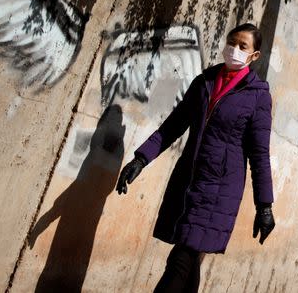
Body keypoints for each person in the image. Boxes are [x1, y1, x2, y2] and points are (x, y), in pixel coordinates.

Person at [116, 22, 276, 292]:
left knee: (180, 260)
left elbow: (259, 154)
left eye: (242, 46)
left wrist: (265, 206)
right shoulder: (204, 83)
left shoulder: (258, 97)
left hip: (219, 192)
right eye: (231, 43)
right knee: (188, 264)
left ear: (254, 56)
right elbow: (173, 126)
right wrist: (140, 160)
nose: (234, 50)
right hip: (188, 184)